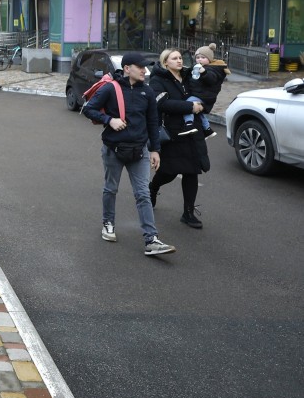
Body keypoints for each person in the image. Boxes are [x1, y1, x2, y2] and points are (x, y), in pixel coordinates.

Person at [83, 53, 175, 256]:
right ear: (127, 68)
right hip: (113, 150)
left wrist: (155, 150)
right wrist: (109, 120)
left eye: (145, 67)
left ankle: (151, 239)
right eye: (140, 67)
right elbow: (89, 109)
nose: (145, 70)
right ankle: (108, 223)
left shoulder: (148, 92)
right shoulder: (111, 88)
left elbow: (153, 122)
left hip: (139, 150)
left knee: (143, 194)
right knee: (111, 189)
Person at [149, 49, 210, 229]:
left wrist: (201, 104)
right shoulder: (157, 80)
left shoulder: (190, 76)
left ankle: (188, 212)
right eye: (174, 58)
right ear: (165, 62)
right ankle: (153, 187)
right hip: (173, 132)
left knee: (192, 171)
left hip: (192, 131)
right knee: (170, 171)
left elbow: (204, 93)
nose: (179, 61)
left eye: (180, 58)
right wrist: (190, 107)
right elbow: (162, 104)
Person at [185, 43, 229, 138]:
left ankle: (188, 124)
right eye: (197, 57)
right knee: (199, 113)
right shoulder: (197, 67)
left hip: (204, 96)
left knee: (188, 105)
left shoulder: (213, 69)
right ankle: (208, 129)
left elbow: (212, 79)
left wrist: (204, 72)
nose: (199, 59)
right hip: (201, 95)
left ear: (209, 59)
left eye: (203, 57)